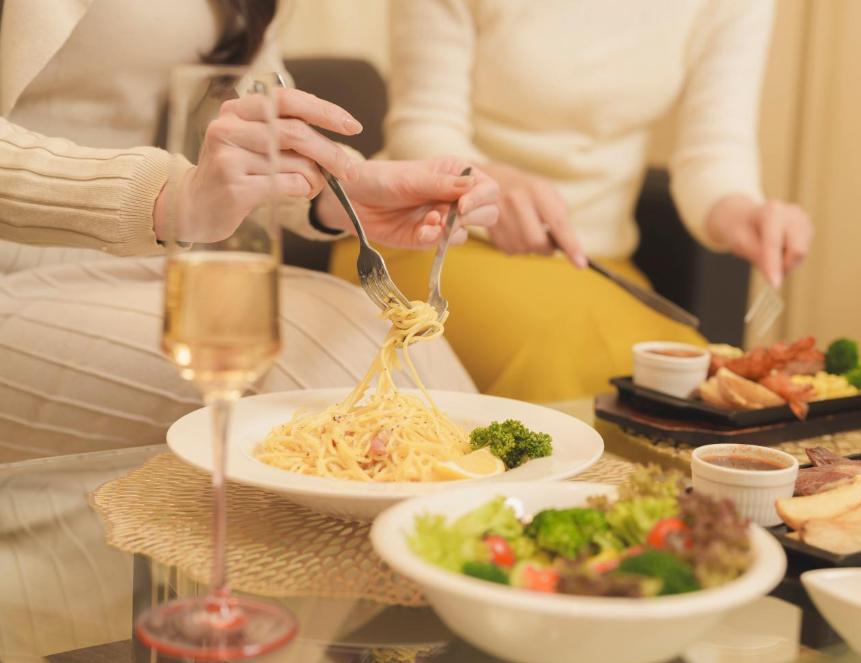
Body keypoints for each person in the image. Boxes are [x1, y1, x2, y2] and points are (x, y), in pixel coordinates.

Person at [0, 0, 500, 460]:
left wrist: (340, 190)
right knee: (322, 373)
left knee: (392, 347)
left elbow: (248, 114)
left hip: (136, 266)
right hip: (25, 271)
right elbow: (190, 184)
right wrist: (169, 198)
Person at [334, 0, 814, 402]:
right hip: (431, 240)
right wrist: (490, 185)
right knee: (562, 359)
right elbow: (423, 126)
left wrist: (744, 213)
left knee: (689, 373)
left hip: (590, 265)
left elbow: (714, 151)